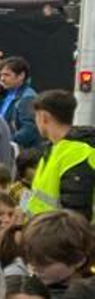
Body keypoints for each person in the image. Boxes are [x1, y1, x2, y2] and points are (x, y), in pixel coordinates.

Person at [24, 89, 95, 217]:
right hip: (43, 232)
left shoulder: (77, 153)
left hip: (60, 235)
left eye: (36, 116)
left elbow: (77, 217)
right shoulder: (52, 149)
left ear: (44, 117)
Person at [0, 57, 40, 149]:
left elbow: (29, 130)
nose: (2, 79)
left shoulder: (27, 98)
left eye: (7, 75)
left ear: (21, 76)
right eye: (1, 75)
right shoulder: (8, 94)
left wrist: (5, 143)